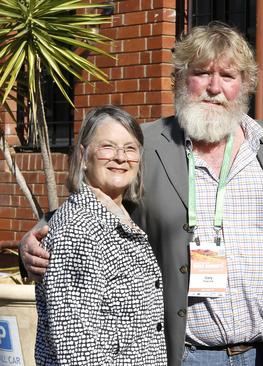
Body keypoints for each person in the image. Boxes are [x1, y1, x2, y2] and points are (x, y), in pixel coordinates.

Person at [22, 22, 263, 366]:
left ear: (245, 85)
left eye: (228, 76)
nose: (214, 88)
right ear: (182, 78)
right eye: (202, 73)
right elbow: (96, 200)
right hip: (186, 355)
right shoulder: (146, 145)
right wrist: (38, 233)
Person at [34, 106, 165, 365]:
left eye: (130, 148)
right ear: (83, 156)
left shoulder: (119, 217)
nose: (120, 157)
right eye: (107, 147)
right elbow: (77, 347)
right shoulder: (77, 229)